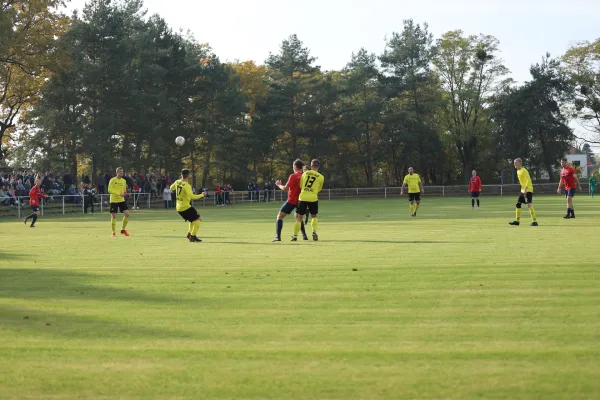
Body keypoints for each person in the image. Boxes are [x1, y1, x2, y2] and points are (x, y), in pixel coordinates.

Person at [273, 159, 308, 242]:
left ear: (295, 167)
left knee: (280, 216)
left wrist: (278, 185)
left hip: (292, 200)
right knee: (299, 218)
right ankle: (304, 235)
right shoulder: (304, 176)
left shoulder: (293, 176)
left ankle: (278, 237)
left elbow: (285, 188)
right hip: (301, 200)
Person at [170, 169, 207, 243]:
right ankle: (192, 236)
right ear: (189, 176)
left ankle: (189, 234)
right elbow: (192, 197)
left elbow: (171, 188)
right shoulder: (187, 186)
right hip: (185, 207)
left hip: (178, 207)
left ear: (181, 174)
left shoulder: (177, 182)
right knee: (198, 219)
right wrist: (202, 195)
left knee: (192, 220)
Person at [293, 159, 324, 241]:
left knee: (299, 218)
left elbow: (300, 185)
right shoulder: (321, 177)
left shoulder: (305, 173)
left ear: (311, 165)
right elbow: (319, 189)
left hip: (303, 197)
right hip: (313, 197)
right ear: (318, 167)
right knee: (314, 216)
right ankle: (314, 231)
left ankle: (295, 236)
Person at [509, 158, 538, 226]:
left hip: (528, 189)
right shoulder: (518, 171)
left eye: (515, 163)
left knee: (529, 205)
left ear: (519, 163)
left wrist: (525, 189)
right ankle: (517, 221)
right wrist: (523, 190)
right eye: (514, 163)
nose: (514, 164)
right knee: (518, 204)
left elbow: (528, 180)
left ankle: (535, 221)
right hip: (523, 190)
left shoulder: (524, 170)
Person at [108, 167, 130, 237]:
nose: (121, 173)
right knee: (114, 216)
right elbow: (109, 190)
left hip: (121, 200)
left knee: (127, 214)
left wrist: (125, 192)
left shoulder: (124, 181)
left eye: (122, 171)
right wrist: (118, 193)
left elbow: (124, 190)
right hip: (114, 200)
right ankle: (113, 232)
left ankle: (123, 230)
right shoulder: (112, 180)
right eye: (120, 171)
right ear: (117, 172)